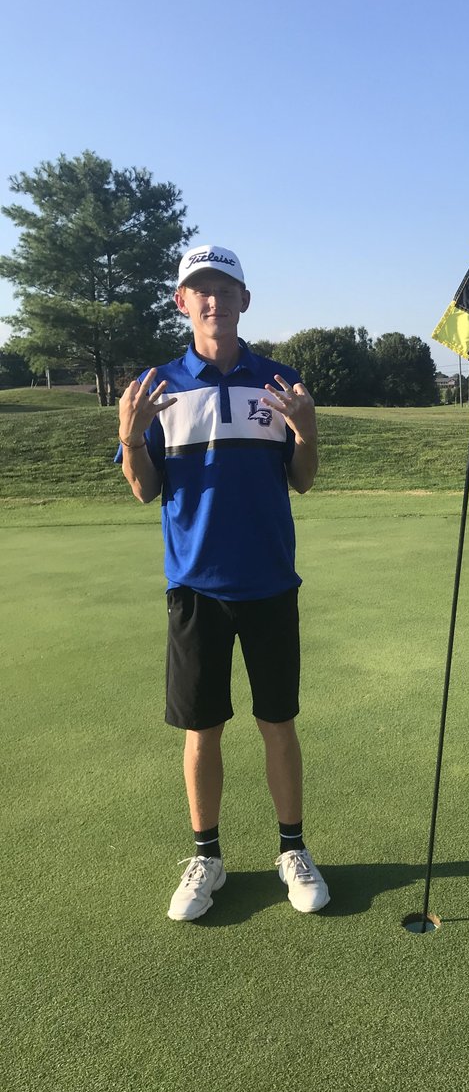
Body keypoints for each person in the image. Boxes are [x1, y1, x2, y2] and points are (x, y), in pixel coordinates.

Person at [117, 244, 329, 921]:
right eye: (198, 290)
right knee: (201, 730)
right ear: (182, 302)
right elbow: (144, 490)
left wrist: (306, 432)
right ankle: (206, 857)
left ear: (244, 300)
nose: (212, 300)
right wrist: (130, 435)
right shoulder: (159, 385)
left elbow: (302, 478)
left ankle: (292, 850)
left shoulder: (279, 381)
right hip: (196, 588)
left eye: (224, 289)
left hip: (269, 581)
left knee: (278, 723)